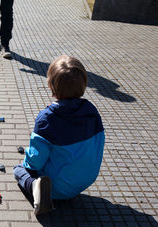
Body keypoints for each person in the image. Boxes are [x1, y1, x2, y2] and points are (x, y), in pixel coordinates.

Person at [13, 55, 105, 215]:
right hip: (86, 179)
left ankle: (36, 188)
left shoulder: (47, 119)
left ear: (50, 85)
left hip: (58, 186)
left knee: (19, 170)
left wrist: (27, 160)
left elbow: (34, 162)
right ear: (84, 84)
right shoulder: (91, 110)